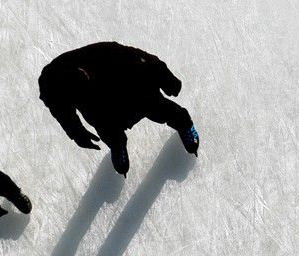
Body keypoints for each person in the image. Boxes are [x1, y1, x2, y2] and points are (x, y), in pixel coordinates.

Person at [38, 42, 199, 176]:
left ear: (83, 71)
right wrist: (76, 132)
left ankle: (183, 123)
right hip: (98, 110)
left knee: (157, 107)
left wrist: (164, 76)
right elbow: (59, 109)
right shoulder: (49, 81)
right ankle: (117, 145)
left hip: (129, 87)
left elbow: (141, 57)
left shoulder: (102, 54)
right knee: (107, 130)